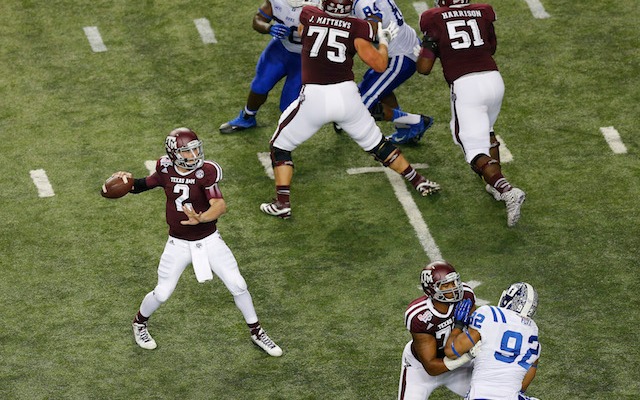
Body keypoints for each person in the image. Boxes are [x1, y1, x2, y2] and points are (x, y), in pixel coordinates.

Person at [108, 127, 282, 357]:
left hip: (209, 239)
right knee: (162, 293)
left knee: (238, 284)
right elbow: (146, 184)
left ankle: (257, 332)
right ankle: (139, 323)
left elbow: (220, 205)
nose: (195, 155)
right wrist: (128, 183)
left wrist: (202, 217)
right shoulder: (165, 168)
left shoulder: (205, 172)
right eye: (188, 152)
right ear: (174, 154)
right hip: (178, 242)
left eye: (196, 149)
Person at [260, 0, 441, 219]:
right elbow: (380, 64)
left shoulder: (308, 14)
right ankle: (418, 180)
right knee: (379, 145)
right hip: (347, 98)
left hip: (315, 98)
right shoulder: (357, 27)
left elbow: (303, 30)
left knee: (279, 145)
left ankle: (283, 203)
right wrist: (382, 39)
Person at [416, 0, 526, 227]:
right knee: (486, 131)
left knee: (471, 147)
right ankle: (494, 185)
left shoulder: (433, 17)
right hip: (494, 80)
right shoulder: (483, 11)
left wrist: (430, 45)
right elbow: (491, 47)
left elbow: (424, 68)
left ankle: (507, 190)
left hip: (467, 86)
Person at [219, 0, 319, 134]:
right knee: (260, 85)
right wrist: (269, 28)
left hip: (308, 57)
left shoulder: (324, 6)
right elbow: (258, 19)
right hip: (281, 49)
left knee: (288, 103)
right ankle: (247, 117)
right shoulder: (278, 2)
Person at [350, 0, 434, 144]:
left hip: (400, 55)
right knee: (376, 89)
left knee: (361, 105)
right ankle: (405, 128)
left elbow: (373, 27)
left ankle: (416, 122)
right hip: (402, 47)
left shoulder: (363, 4)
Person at [444, 282, 541, 400]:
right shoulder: (532, 329)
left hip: (479, 396)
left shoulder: (489, 313)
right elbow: (524, 384)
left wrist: (458, 325)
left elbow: (452, 351)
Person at [398, 260, 479, 399]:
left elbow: (475, 330)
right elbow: (431, 368)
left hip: (459, 364)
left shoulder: (466, 296)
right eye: (446, 285)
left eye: (454, 282)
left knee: (494, 394)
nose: (454, 288)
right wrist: (469, 355)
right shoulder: (420, 316)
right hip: (421, 371)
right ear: (431, 290)